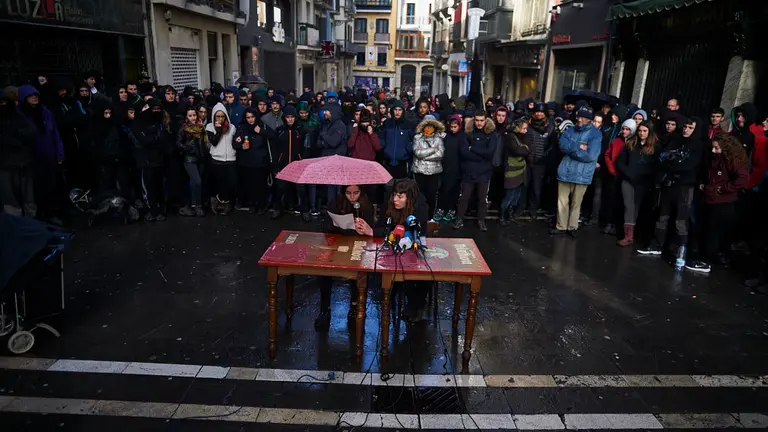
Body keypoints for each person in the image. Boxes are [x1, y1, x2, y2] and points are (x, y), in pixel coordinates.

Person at [358, 178, 430, 321]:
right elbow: (380, 228)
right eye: (394, 195)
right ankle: (388, 297)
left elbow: (413, 230)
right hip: (391, 252)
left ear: (409, 198)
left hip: (413, 248)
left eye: (400, 196)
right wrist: (372, 231)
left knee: (420, 274)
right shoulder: (389, 205)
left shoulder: (420, 208)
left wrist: (377, 232)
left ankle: (416, 305)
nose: (395, 199)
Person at [637, 117, 703, 256]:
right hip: (669, 184)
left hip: (684, 187)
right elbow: (662, 158)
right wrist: (671, 164)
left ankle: (680, 252)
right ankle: (657, 245)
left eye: (690, 127)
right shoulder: (676, 140)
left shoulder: (698, 145)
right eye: (685, 126)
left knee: (680, 221)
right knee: (663, 217)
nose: (686, 129)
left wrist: (672, 165)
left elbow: (689, 166)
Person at [313, 184, 375, 330]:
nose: (352, 197)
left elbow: (370, 227)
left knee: (357, 272)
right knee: (325, 270)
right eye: (348, 193)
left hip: (358, 244)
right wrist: (343, 228)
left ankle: (354, 307)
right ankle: (324, 309)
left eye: (356, 193)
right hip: (337, 242)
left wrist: (363, 227)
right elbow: (326, 226)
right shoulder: (335, 203)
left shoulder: (366, 205)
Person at [685, 134, 748, 273]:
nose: (714, 151)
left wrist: (724, 189)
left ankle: (706, 261)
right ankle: (705, 258)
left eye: (717, 148)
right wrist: (704, 185)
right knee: (707, 230)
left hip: (723, 202)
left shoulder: (731, 161)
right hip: (710, 199)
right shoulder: (713, 158)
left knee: (714, 233)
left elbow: (743, 178)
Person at [550, 106, 602, 237]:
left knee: (576, 202)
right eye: (578, 116)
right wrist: (579, 146)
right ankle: (561, 226)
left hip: (582, 173)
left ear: (589, 120)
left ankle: (572, 226)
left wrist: (571, 149)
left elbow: (591, 155)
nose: (579, 119)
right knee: (562, 201)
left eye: (582, 117)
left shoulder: (596, 134)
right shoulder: (570, 129)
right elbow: (562, 145)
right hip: (566, 170)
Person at [17, 85, 64, 223]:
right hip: (31, 159)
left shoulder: (45, 112)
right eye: (31, 96)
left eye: (36, 95)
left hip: (48, 156)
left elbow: (55, 133)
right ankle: (37, 217)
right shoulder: (20, 115)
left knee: (50, 186)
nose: (34, 98)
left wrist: (59, 153)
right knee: (33, 190)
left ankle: (49, 214)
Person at [616, 121, 661, 247]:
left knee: (637, 208)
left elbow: (657, 166)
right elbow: (620, 161)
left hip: (644, 182)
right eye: (640, 130)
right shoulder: (631, 143)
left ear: (649, 132)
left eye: (645, 131)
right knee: (628, 205)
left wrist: (646, 176)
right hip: (629, 180)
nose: (642, 133)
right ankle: (628, 236)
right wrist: (628, 173)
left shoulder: (656, 147)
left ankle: (635, 234)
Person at [454, 111, 497, 232]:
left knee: (482, 199)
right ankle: (459, 219)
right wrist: (480, 154)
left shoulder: (491, 134)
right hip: (469, 171)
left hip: (484, 172)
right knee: (464, 197)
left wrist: (472, 149)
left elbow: (490, 153)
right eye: (477, 120)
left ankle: (481, 220)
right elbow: (463, 153)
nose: (479, 123)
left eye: (481, 120)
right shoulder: (467, 133)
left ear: (486, 120)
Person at [131, 99, 170, 221]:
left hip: (157, 160)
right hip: (146, 161)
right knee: (148, 187)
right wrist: (154, 140)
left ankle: (158, 208)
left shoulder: (158, 123)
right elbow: (144, 141)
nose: (156, 112)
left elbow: (162, 140)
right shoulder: (138, 124)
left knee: (157, 186)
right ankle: (152, 211)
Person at [0, 88, 37, 217]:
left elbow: (31, 132)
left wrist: (18, 136)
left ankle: (30, 225)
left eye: (5, 102)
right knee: (10, 200)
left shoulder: (16, 116)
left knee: (27, 199)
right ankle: (16, 226)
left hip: (23, 163)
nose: (3, 105)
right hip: (6, 166)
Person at [522, 102, 556, 220]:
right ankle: (521, 208)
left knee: (536, 188)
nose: (539, 114)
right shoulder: (527, 124)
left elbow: (552, 145)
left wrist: (544, 156)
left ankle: (533, 209)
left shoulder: (550, 126)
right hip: (526, 160)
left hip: (540, 162)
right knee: (524, 186)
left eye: (541, 112)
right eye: (537, 111)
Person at [604, 119, 637, 236]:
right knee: (611, 200)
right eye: (623, 128)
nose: (625, 131)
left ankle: (618, 225)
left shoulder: (634, 143)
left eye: (628, 129)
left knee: (623, 202)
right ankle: (609, 223)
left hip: (626, 176)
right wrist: (611, 169)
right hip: (615, 174)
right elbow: (608, 155)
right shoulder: (616, 141)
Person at [271, 105, 305, 219]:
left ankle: (304, 211)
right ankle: (277, 209)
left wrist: (303, 161)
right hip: (283, 164)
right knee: (280, 188)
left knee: (301, 189)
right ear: (284, 118)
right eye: (287, 117)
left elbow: (305, 148)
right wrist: (275, 165)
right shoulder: (279, 131)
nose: (290, 119)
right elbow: (275, 149)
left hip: (298, 164)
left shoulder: (300, 130)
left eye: (292, 117)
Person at [206, 102, 237, 215]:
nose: (220, 118)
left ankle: (227, 203)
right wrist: (218, 130)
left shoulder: (232, 127)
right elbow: (213, 142)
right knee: (217, 183)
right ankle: (216, 202)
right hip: (216, 159)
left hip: (230, 159)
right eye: (218, 116)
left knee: (230, 183)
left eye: (222, 116)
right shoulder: (210, 127)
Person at [176, 107, 208, 217]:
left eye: (194, 115)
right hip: (189, 159)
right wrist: (188, 148)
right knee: (197, 181)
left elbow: (204, 142)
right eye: (190, 115)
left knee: (197, 183)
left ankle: (195, 204)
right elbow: (178, 143)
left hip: (200, 158)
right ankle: (196, 205)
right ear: (186, 117)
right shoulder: (184, 129)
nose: (193, 118)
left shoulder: (201, 127)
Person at [412, 114, 445, 219]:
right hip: (419, 172)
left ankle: (430, 217)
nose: (428, 129)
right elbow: (417, 153)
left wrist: (424, 154)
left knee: (431, 197)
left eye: (431, 126)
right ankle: (418, 217)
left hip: (433, 173)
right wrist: (432, 150)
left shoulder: (439, 138)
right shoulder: (417, 138)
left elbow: (440, 155)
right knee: (419, 197)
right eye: (427, 126)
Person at [499, 118, 530, 226]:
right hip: (512, 170)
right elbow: (519, 150)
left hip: (520, 170)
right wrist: (525, 149)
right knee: (509, 195)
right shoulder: (510, 136)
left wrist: (525, 148)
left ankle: (510, 215)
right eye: (524, 128)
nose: (526, 131)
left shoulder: (521, 137)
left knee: (516, 195)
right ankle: (503, 216)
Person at [434, 114, 465, 223]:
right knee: (443, 190)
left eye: (455, 127)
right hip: (446, 167)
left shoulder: (462, 137)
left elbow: (463, 153)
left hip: (457, 169)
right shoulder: (446, 136)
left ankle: (451, 209)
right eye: (451, 127)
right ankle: (441, 209)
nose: (453, 129)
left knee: (453, 191)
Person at [316, 103, 347, 205]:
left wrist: (324, 136)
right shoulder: (326, 124)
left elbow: (333, 142)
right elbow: (318, 143)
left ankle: (335, 208)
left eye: (327, 111)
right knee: (329, 186)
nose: (324, 113)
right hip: (327, 160)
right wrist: (325, 141)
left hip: (336, 161)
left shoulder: (340, 125)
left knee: (336, 188)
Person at [379, 99, 414, 180]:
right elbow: (382, 137)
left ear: (403, 111)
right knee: (388, 188)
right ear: (392, 110)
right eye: (395, 110)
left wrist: (408, 149)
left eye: (400, 110)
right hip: (388, 161)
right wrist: (384, 148)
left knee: (401, 188)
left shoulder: (409, 124)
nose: (397, 112)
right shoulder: (387, 123)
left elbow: (414, 139)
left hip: (403, 162)